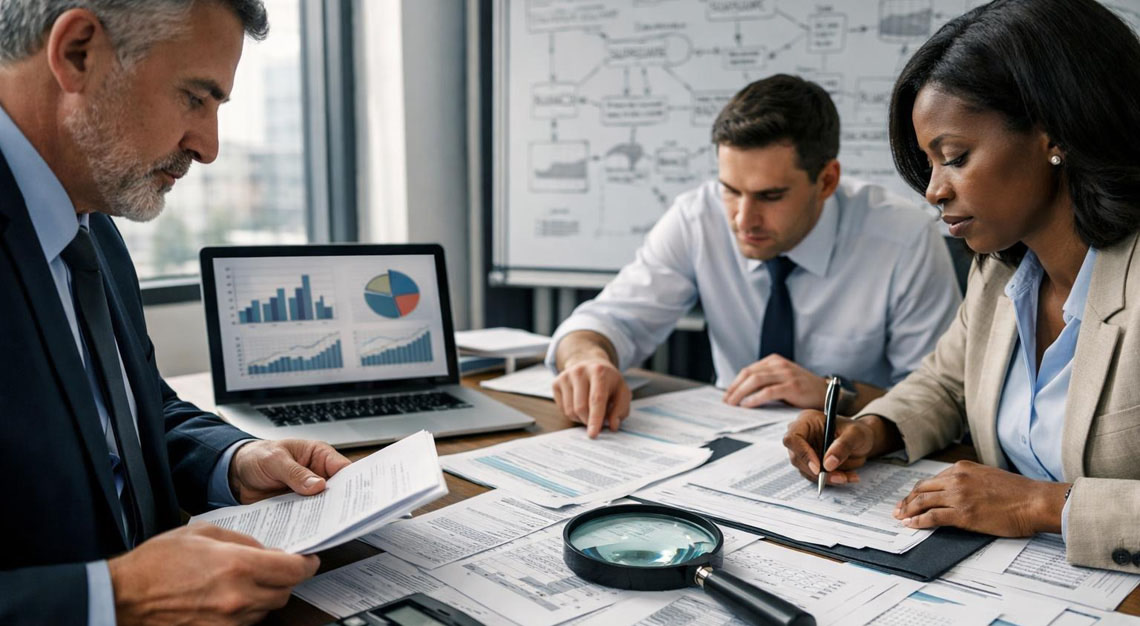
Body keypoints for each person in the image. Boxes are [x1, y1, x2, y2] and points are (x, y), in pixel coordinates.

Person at [0, 1, 354, 623]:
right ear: (78, 51)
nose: (209, 147)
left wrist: (233, 461)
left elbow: (123, 412)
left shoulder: (89, 215)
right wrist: (120, 599)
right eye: (195, 98)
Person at [782, 0, 1140, 572]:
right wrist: (870, 431)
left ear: (1056, 134)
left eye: (954, 157)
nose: (933, 191)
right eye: (929, 164)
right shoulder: (1001, 269)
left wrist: (1040, 505)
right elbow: (949, 385)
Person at [548, 74, 962, 437]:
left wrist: (832, 392)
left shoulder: (903, 239)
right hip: (723, 442)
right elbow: (605, 321)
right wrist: (589, 360)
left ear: (826, 180)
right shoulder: (697, 218)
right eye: (730, 189)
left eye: (770, 196)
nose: (744, 219)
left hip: (850, 457)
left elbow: (941, 402)